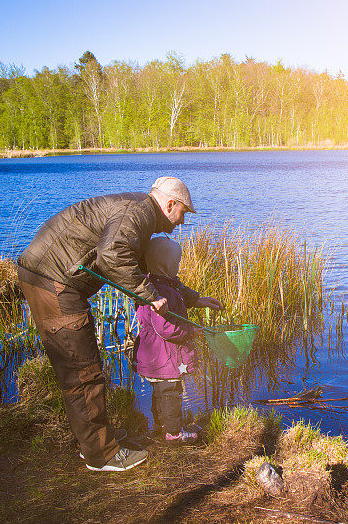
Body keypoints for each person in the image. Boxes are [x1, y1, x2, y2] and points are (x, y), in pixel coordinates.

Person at [16, 177, 221, 472]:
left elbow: (157, 276)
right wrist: (149, 296)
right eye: (183, 213)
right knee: (82, 373)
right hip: (53, 282)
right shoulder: (137, 213)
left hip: (52, 277)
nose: (182, 222)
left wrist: (196, 299)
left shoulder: (140, 215)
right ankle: (101, 455)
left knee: (85, 369)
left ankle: (98, 441)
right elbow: (112, 255)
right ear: (170, 204)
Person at [134, 237, 201, 444]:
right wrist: (190, 331)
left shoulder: (151, 285)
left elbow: (180, 289)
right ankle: (174, 433)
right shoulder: (160, 292)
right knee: (171, 392)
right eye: (177, 263)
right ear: (166, 264)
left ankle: (160, 425)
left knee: (159, 391)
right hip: (166, 355)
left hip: (154, 354)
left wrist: (199, 300)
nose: (178, 266)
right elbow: (165, 328)